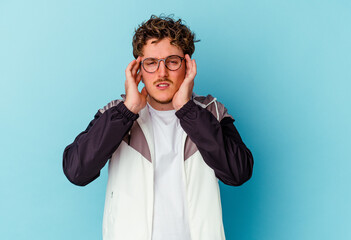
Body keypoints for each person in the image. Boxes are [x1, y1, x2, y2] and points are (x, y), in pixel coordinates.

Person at [63, 15, 254, 240]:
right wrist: (128, 110)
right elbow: (77, 171)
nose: (162, 73)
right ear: (138, 69)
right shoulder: (116, 113)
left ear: (188, 65)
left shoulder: (211, 111)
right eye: (152, 63)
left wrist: (187, 110)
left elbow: (238, 173)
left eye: (172, 61)